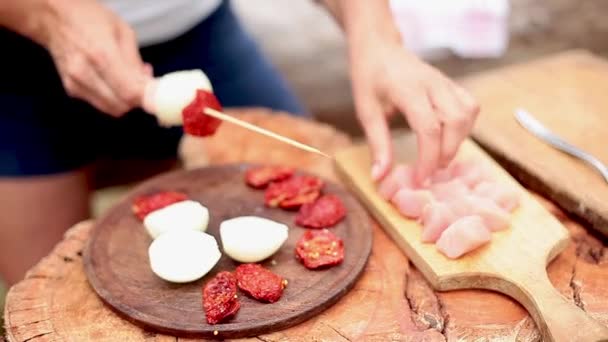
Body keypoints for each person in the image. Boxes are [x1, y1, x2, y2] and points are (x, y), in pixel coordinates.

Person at [0, 0, 479, 284]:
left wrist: (377, 37)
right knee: (48, 280)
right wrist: (49, 14)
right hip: (18, 57)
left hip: (197, 28)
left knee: (329, 202)